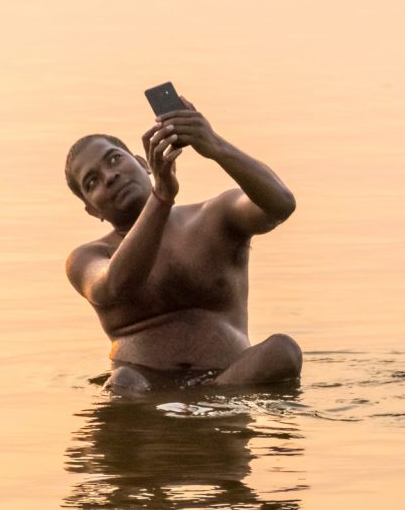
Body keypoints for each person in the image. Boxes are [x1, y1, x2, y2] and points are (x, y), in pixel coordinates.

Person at [64, 95, 303, 394]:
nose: (110, 177)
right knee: (124, 382)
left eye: (114, 159)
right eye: (92, 182)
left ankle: (205, 411)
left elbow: (280, 205)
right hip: (147, 397)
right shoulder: (88, 258)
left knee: (282, 351)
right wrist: (161, 197)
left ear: (142, 163)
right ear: (92, 210)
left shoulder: (212, 217)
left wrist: (214, 145)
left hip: (229, 384)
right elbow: (114, 284)